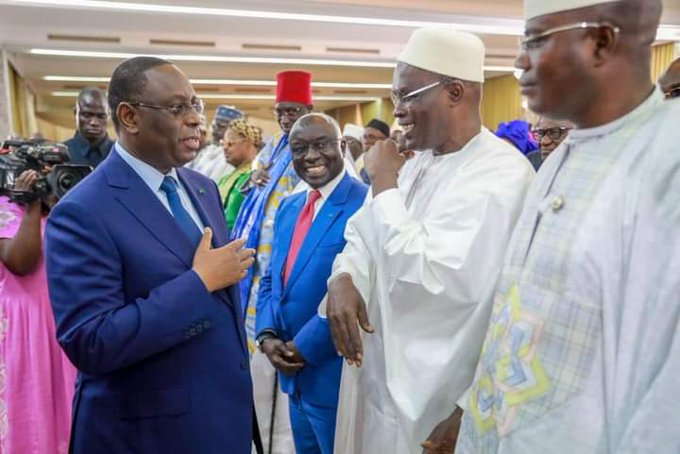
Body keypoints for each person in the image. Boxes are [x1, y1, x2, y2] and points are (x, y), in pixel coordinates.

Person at [450, 0, 680, 452]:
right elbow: (515, 314)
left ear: (601, 42)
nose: (519, 62)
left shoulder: (666, 161)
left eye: (535, 41)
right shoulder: (565, 154)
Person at [325, 27, 535, 454]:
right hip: (374, 381)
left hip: (434, 397)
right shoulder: (418, 161)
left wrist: (384, 183)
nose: (397, 110)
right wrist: (343, 277)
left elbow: (431, 277)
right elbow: (363, 237)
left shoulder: (502, 176)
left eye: (407, 96)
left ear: (455, 92)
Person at [45, 56, 258, 454]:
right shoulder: (82, 211)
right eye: (178, 108)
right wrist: (199, 283)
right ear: (129, 116)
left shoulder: (201, 188)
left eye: (196, 105)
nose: (196, 119)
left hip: (221, 419)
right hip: (147, 434)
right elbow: (92, 342)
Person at [256, 113, 368, 454]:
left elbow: (362, 286)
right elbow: (272, 277)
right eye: (299, 147)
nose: (310, 156)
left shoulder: (365, 203)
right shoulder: (290, 206)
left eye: (321, 145)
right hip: (292, 372)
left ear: (343, 146)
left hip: (334, 371)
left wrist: (301, 347)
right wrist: (267, 334)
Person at [232, 69, 313, 454]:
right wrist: (254, 178)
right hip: (257, 275)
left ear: (308, 109)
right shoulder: (275, 147)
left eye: (293, 110)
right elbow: (252, 187)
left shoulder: (313, 148)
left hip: (288, 274)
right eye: (281, 111)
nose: (285, 118)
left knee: (282, 375)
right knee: (258, 370)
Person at [0, 171, 76, 454]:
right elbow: (21, 262)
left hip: (61, 313)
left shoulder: (59, 204)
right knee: (32, 401)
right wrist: (31, 205)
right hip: (24, 322)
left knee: (65, 400)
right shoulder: (5, 207)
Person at [218, 119, 262, 231]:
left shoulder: (257, 176)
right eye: (222, 143)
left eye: (230, 143)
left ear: (247, 143)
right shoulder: (225, 178)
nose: (224, 148)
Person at [63, 87, 114, 168]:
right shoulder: (61, 154)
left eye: (101, 116)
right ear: (76, 113)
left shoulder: (122, 154)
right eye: (87, 115)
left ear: (109, 116)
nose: (94, 122)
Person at [187, 105, 242, 181]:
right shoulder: (206, 150)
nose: (215, 130)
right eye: (214, 126)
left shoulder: (229, 157)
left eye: (221, 126)